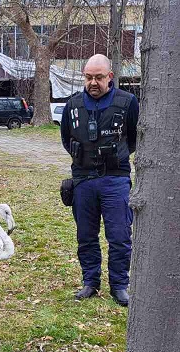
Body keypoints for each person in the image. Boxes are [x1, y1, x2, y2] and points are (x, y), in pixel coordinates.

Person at [60, 54, 139, 306]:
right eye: (88, 77)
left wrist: (115, 157)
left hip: (115, 180)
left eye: (99, 77)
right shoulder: (72, 105)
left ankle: (119, 286)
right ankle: (90, 282)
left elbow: (134, 138)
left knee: (119, 236)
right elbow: (66, 138)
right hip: (83, 180)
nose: (93, 82)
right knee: (86, 235)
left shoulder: (127, 102)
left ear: (110, 77)